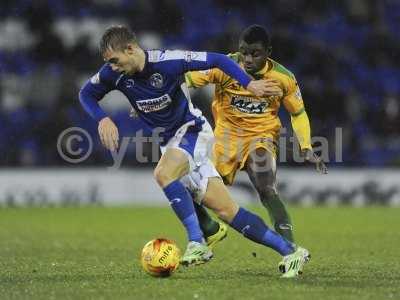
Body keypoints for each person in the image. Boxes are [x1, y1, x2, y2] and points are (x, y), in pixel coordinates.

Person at [79, 25, 309, 277]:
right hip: (170, 141)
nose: (112, 66)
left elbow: (219, 60)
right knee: (228, 212)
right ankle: (290, 251)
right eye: (108, 62)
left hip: (192, 131)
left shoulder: (169, 61)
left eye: (114, 60)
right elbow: (86, 94)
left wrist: (249, 85)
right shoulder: (112, 74)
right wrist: (102, 118)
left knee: (163, 174)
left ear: (131, 48)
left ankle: (197, 242)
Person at [185, 24, 328, 244]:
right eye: (244, 51)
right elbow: (186, 80)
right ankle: (209, 229)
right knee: (195, 187)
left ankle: (290, 249)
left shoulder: (283, 78)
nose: (248, 59)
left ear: (268, 52)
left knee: (266, 187)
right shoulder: (224, 66)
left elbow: (298, 113)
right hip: (225, 138)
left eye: (255, 53)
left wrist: (306, 146)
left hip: (261, 136)